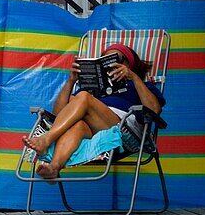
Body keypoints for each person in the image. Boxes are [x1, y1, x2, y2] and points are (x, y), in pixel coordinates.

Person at [22, 43, 165, 179]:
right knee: (78, 122)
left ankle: (46, 139)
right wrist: (71, 81)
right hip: (91, 126)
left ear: (129, 64)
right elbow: (58, 115)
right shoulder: (91, 88)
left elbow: (154, 110)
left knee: (83, 97)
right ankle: (54, 167)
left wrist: (133, 77)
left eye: (117, 59)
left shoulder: (140, 85)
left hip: (124, 129)